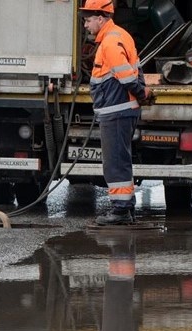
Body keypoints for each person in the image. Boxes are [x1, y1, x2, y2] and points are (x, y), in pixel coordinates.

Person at [79, 0, 151, 226]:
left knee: (115, 162)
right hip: (119, 110)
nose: (85, 25)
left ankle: (120, 210)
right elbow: (134, 71)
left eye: (88, 20)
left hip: (117, 110)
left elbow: (127, 76)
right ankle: (125, 208)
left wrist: (140, 92)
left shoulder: (110, 42)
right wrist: (141, 93)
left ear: (101, 18)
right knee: (120, 160)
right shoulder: (119, 36)